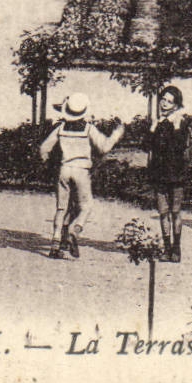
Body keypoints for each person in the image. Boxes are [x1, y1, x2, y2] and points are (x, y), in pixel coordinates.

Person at [38, 94, 124, 260]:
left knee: (61, 208)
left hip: (64, 169)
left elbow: (44, 148)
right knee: (86, 206)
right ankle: (75, 230)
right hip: (81, 170)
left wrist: (48, 163)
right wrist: (117, 133)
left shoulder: (60, 128)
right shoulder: (88, 129)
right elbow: (104, 147)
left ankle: (55, 243)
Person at [147, 86, 190, 262]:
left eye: (169, 101)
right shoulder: (157, 122)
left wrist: (177, 127)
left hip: (176, 173)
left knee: (175, 211)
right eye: (163, 99)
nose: (164, 104)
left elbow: (180, 147)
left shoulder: (180, 122)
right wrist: (153, 127)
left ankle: (176, 248)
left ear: (176, 105)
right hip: (159, 173)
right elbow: (147, 146)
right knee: (163, 211)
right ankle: (166, 248)